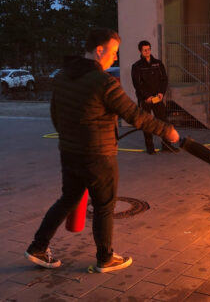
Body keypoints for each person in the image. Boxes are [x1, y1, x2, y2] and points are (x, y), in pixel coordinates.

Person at [24, 28, 179, 273]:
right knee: (105, 205)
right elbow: (134, 115)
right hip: (99, 156)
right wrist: (166, 130)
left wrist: (71, 139)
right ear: (99, 50)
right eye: (114, 52)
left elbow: (56, 115)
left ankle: (37, 247)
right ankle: (105, 258)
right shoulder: (104, 82)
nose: (115, 58)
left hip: (70, 152)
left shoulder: (63, 76)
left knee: (67, 199)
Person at [131, 40, 178, 154]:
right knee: (147, 123)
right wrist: (146, 97)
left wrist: (161, 93)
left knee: (163, 121)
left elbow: (164, 80)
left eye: (148, 49)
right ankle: (150, 148)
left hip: (158, 98)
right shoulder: (137, 66)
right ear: (140, 51)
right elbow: (137, 84)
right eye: (144, 50)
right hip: (146, 100)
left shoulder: (158, 64)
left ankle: (167, 146)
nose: (147, 52)